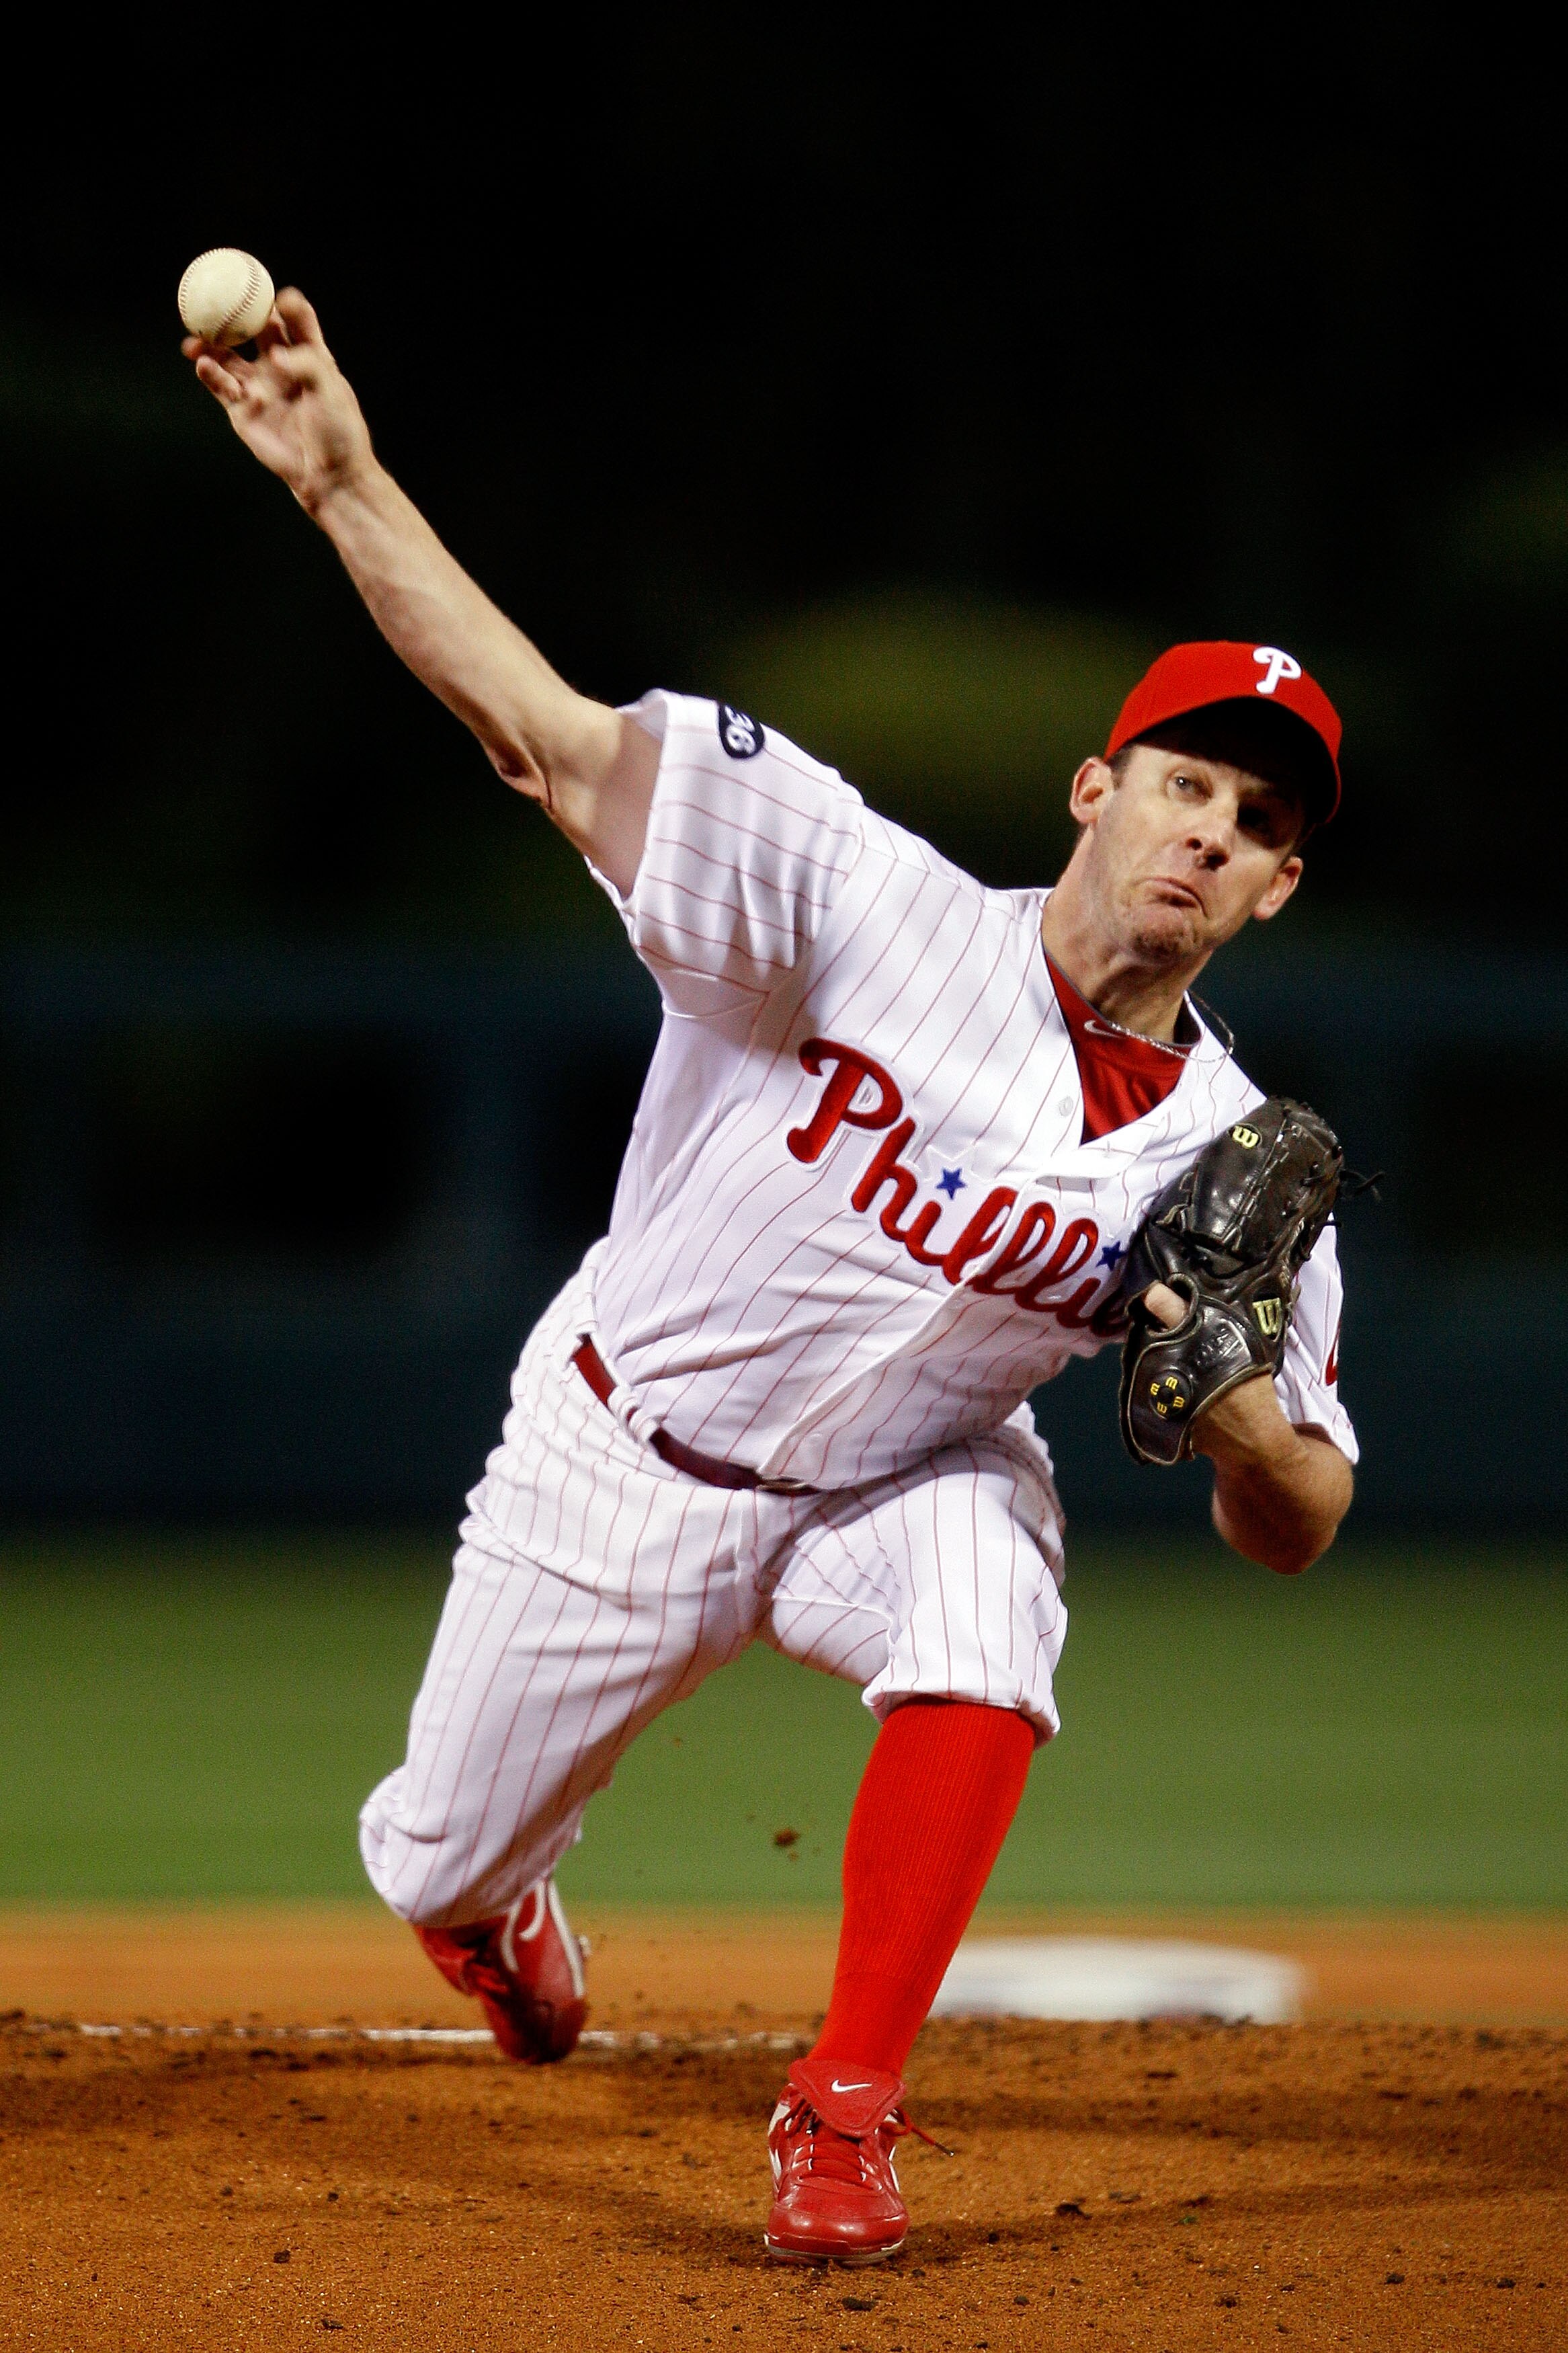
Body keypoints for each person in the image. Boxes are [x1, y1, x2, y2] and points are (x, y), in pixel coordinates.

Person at [185, 292, 1357, 2266]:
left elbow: (1301, 1520)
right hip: (622, 1451)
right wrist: (343, 482)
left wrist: (1241, 1413)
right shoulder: (856, 899)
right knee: (437, 1846)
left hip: (898, 1482)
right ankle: (498, 1907)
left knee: (996, 1596)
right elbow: (549, 740)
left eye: (1255, 821)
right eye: (1184, 779)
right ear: (1099, 789)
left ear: (1275, 890)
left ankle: (842, 2118)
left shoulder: (1236, 1163)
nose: (1208, 829)